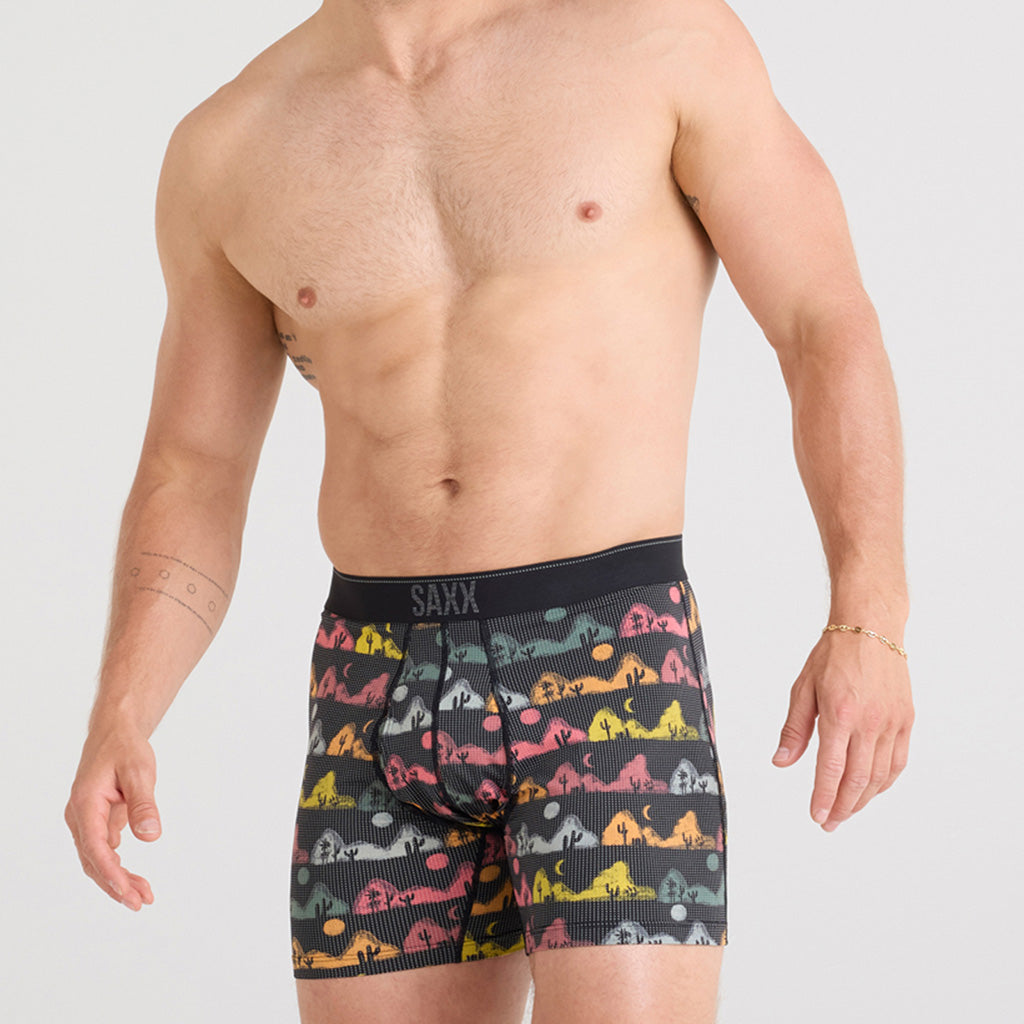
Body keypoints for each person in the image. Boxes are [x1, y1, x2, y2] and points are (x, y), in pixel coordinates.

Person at [64, 1, 915, 1021]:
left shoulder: (659, 39)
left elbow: (823, 320)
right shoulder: (230, 142)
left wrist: (869, 617)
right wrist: (123, 710)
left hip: (608, 659)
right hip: (373, 682)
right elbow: (194, 469)